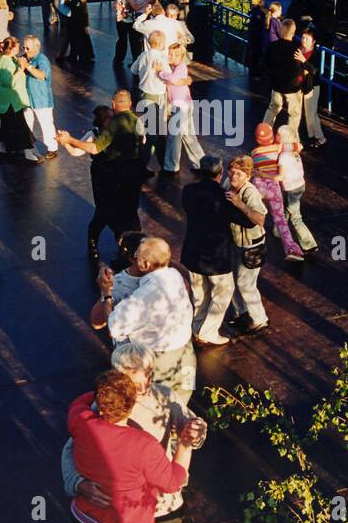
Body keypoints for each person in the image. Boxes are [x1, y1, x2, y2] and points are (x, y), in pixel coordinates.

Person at [61, 342, 208, 523]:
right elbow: (69, 450)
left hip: (163, 507)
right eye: (134, 382)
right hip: (127, 513)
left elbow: (191, 427)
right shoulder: (104, 406)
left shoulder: (165, 397)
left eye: (148, 376)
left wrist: (197, 432)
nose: (144, 388)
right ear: (117, 377)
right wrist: (78, 483)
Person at [90, 236, 196, 405]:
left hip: (158, 362)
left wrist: (106, 293)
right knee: (180, 401)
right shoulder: (174, 275)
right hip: (185, 356)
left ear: (145, 264)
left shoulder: (143, 295)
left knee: (151, 405)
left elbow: (111, 327)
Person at [58, 91, 146, 260]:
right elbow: (142, 143)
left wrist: (68, 140)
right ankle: (128, 244)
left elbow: (94, 148)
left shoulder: (114, 125)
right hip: (128, 174)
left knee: (106, 211)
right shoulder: (136, 121)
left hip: (110, 175)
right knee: (125, 210)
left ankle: (117, 243)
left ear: (114, 105)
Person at [181, 157, 236, 347]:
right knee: (223, 293)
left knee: (199, 294)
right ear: (220, 174)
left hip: (193, 252)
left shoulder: (188, 191)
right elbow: (246, 220)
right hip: (216, 256)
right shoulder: (224, 196)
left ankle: (197, 327)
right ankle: (208, 331)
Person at [224, 155, 270, 337]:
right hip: (235, 242)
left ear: (247, 177)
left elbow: (260, 219)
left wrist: (240, 204)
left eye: (239, 174)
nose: (234, 176)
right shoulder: (228, 184)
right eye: (232, 171)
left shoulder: (250, 193)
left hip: (252, 245)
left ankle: (259, 319)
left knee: (245, 283)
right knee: (234, 279)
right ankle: (242, 312)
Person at [250, 122, 305, 261]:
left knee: (253, 214)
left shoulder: (254, 153)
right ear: (272, 136)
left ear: (257, 140)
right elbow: (299, 146)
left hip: (258, 186)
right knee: (280, 220)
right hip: (273, 188)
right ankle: (291, 249)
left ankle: (251, 244)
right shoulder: (279, 148)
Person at [0, 36, 43, 163]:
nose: (21, 49)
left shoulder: (11, 59)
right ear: (12, 48)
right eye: (18, 46)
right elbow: (8, 82)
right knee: (20, 127)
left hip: (13, 100)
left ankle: (1, 148)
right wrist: (20, 69)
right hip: (10, 101)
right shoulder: (3, 62)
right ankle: (27, 152)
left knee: (6, 125)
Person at [160, 41, 204, 174]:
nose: (169, 57)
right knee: (188, 136)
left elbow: (172, 80)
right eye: (169, 54)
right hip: (184, 105)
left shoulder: (181, 67)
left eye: (172, 55)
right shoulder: (175, 68)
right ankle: (201, 163)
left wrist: (160, 73)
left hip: (181, 107)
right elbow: (174, 80)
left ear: (180, 56)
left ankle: (170, 167)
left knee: (174, 137)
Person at [275, 124, 319, 255]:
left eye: (278, 134)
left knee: (296, 217)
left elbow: (281, 176)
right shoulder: (295, 152)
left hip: (291, 189)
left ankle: (309, 244)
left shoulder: (283, 156)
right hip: (300, 185)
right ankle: (279, 230)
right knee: (288, 207)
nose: (276, 136)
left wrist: (263, 175)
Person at [132, 29, 170, 169]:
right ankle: (149, 161)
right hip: (156, 95)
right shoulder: (161, 59)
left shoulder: (143, 55)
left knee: (151, 128)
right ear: (160, 44)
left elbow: (133, 70)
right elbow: (169, 76)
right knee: (156, 131)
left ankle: (153, 160)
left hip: (143, 93)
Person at [262, 18, 306, 130]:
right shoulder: (296, 49)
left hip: (276, 84)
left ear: (281, 30)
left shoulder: (273, 46)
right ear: (293, 32)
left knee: (272, 109)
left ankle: (264, 132)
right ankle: (290, 138)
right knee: (294, 114)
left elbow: (266, 63)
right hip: (292, 87)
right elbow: (298, 68)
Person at [20, 35, 58, 159]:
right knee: (26, 123)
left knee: (46, 124)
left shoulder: (42, 60)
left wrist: (28, 66)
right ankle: (28, 146)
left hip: (41, 99)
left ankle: (52, 147)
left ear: (36, 47)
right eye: (23, 47)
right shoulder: (25, 58)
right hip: (28, 98)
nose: (25, 51)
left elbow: (42, 75)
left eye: (27, 48)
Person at [297, 28, 327, 148]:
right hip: (301, 85)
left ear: (313, 41)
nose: (304, 40)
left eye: (307, 39)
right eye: (303, 37)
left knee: (311, 114)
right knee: (309, 113)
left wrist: (303, 61)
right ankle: (313, 137)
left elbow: (314, 70)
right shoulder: (299, 49)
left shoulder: (315, 54)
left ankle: (320, 138)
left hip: (312, 86)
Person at [61, 0, 94, 64]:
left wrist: (66, 0)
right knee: (76, 38)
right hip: (77, 19)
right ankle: (77, 55)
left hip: (78, 20)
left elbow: (76, 6)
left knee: (79, 39)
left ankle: (83, 56)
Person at [112, 0, 141, 65]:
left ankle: (118, 59)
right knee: (134, 41)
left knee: (122, 40)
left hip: (120, 19)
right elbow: (135, 6)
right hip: (131, 19)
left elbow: (115, 6)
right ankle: (135, 60)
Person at [246, 0, 268, 81]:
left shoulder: (253, 11)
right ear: (259, 2)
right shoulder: (259, 13)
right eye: (263, 0)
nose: (264, 2)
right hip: (257, 37)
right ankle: (256, 74)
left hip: (253, 37)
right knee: (257, 55)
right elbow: (261, 24)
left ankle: (254, 73)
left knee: (254, 55)